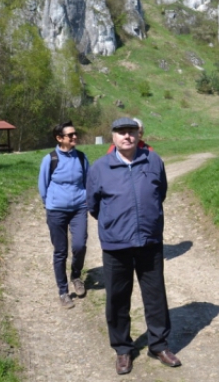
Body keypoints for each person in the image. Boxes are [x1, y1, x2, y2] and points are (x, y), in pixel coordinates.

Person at [86, 117, 180, 375]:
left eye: (131, 132)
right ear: (113, 137)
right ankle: (123, 349)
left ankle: (159, 345)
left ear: (139, 135)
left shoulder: (153, 161)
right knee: (117, 299)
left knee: (155, 296)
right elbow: (93, 205)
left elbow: (160, 192)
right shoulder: (99, 168)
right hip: (117, 245)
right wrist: (114, 223)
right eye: (121, 132)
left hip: (149, 241)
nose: (127, 136)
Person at [38, 121, 89, 309]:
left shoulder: (82, 158)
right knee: (60, 251)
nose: (75, 137)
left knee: (80, 245)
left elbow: (88, 182)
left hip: (79, 208)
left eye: (75, 134)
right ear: (60, 138)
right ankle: (63, 291)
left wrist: (87, 201)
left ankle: (76, 276)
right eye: (70, 135)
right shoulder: (50, 159)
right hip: (56, 211)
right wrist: (49, 204)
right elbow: (43, 186)